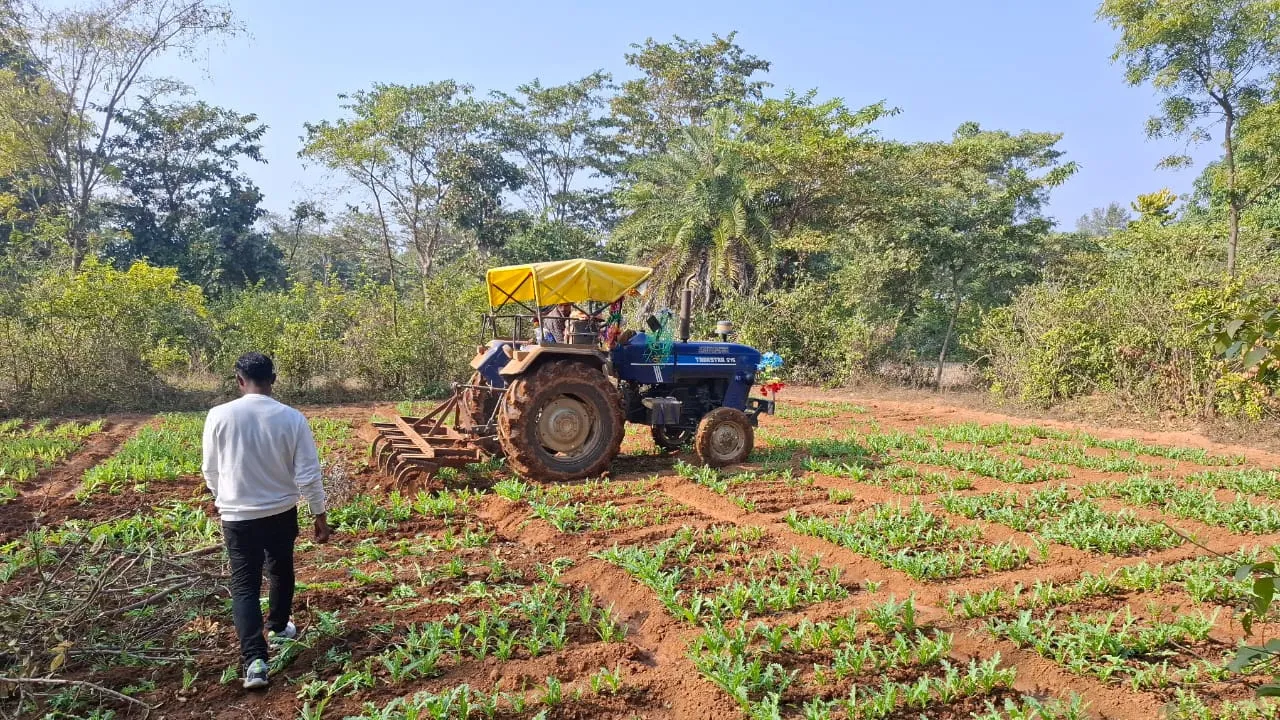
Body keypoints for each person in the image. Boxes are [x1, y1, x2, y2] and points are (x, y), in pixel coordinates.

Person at [201, 352, 331, 690]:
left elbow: (210, 469)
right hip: (280, 512)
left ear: (239, 381)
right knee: (281, 569)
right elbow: (308, 474)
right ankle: (277, 628)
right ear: (273, 380)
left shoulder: (219, 416)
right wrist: (319, 514)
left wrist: (218, 496)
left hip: (237, 516)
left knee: (244, 584)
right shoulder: (292, 418)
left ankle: (255, 661)